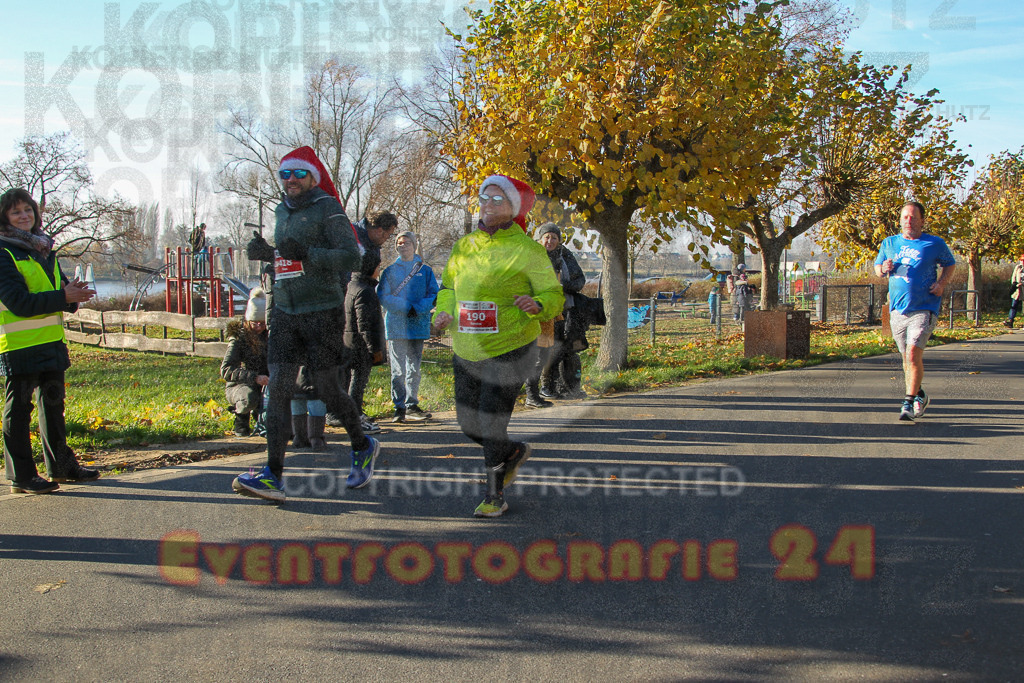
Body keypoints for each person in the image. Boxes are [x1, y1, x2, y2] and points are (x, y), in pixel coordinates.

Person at [233, 146, 379, 502]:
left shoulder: (328, 208)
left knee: (327, 390)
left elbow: (350, 256)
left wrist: (307, 254)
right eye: (285, 174)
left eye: (299, 174)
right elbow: (288, 257)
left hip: (322, 311)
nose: (291, 180)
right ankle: (273, 475)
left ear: (312, 176)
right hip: (284, 310)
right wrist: (268, 254)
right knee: (279, 389)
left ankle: (362, 445)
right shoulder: (281, 210)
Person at [432, 174, 563, 518]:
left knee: (490, 421)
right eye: (483, 199)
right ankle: (512, 451)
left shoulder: (528, 250)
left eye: (496, 200)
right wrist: (444, 312)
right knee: (468, 424)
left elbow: (553, 293)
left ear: (512, 207)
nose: (487, 205)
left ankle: (494, 495)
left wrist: (538, 303)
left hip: (512, 346)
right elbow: (447, 287)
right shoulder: (464, 246)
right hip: (467, 346)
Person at [0, 188, 99, 494]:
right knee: (18, 411)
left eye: (28, 210)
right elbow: (18, 302)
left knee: (53, 407)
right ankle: (21, 476)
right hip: (19, 346)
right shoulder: (4, 253)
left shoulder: (43, 250)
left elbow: (58, 291)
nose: (24, 216)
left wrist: (74, 296)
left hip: (51, 341)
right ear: (5, 218)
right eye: (16, 212)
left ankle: (62, 467)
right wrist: (62, 296)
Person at [874, 200, 956, 421]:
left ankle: (908, 403)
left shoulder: (934, 243)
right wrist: (883, 269)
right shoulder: (889, 243)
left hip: (925, 307)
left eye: (912, 217)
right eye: (905, 217)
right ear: (900, 220)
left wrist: (941, 284)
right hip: (898, 309)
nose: (908, 221)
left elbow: (950, 263)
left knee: (912, 354)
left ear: (922, 220)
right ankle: (920, 394)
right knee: (906, 358)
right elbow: (878, 268)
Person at [325, 211, 398, 427]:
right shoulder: (352, 239)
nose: (386, 240)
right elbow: (367, 324)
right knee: (352, 373)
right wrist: (373, 349)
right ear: (378, 230)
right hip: (345, 320)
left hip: (348, 313)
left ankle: (346, 410)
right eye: (387, 235)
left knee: (347, 370)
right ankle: (348, 412)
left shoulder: (369, 252)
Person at [378, 230, 438, 423]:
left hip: (418, 325)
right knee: (398, 370)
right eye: (399, 243)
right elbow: (384, 296)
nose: (402, 246)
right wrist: (406, 308)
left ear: (414, 245)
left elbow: (434, 294)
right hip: (397, 325)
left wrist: (418, 308)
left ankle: (412, 404)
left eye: (406, 243)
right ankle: (399, 407)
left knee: (414, 368)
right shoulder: (389, 271)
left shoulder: (426, 271)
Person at [342, 251, 387, 435]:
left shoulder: (352, 285)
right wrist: (374, 350)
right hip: (360, 348)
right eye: (377, 267)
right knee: (358, 384)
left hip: (349, 343)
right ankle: (355, 419)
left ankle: (353, 415)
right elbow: (366, 325)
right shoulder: (365, 291)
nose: (379, 271)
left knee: (353, 382)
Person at [221, 288, 269, 437]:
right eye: (255, 323)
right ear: (248, 321)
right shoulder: (239, 338)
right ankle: (241, 420)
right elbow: (227, 370)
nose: (259, 327)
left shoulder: (271, 335)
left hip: (267, 383)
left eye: (263, 323)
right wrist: (254, 377)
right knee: (248, 397)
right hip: (240, 384)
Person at [1002, 254, 1024, 328]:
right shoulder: (1018, 267)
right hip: (1018, 290)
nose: (1022, 262)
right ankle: (1010, 321)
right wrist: (1014, 284)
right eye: (1021, 260)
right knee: (1014, 305)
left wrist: (1022, 283)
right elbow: (1013, 277)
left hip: (1023, 287)